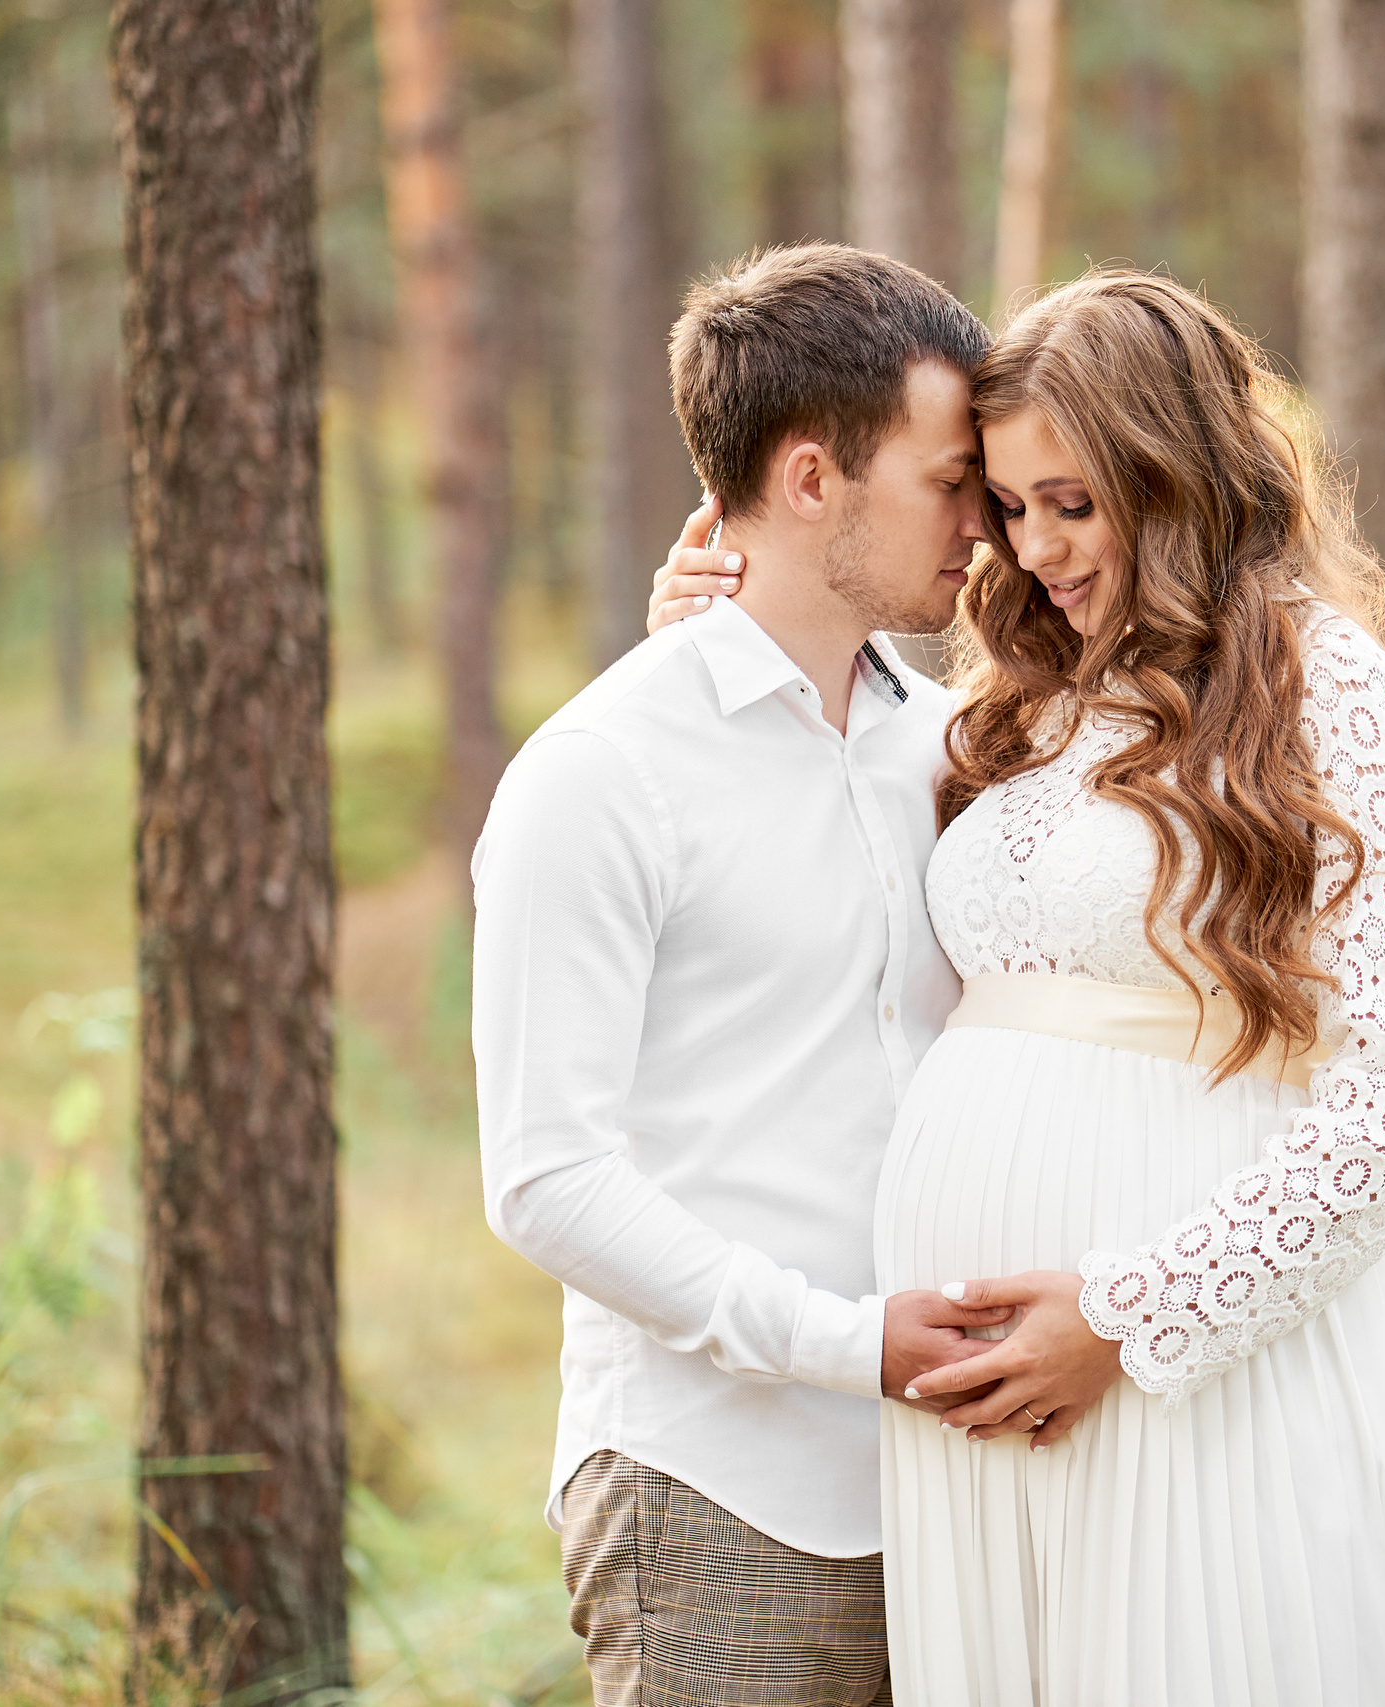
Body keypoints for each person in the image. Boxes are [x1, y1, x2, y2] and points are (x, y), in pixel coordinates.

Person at [650, 271, 1385, 1705]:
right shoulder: (1020, 702)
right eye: (1008, 504)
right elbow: (823, 788)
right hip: (987, 1399)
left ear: (1175, 476)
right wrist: (716, 636)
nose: (1032, 548)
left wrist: (1128, 1315)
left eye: (1074, 504)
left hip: (1204, 1367)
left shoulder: (1340, 699)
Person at [472, 242, 1022, 1707]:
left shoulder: (952, 747)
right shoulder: (602, 776)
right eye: (947, 479)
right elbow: (544, 1178)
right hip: (722, 1493)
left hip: (961, 1491)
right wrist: (850, 1346)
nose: (988, 524)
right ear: (807, 480)